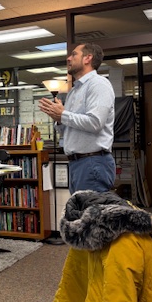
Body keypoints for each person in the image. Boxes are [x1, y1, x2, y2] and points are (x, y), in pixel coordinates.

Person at [38, 43, 116, 193]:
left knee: (91, 215)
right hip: (77, 164)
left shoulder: (98, 85)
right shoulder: (74, 91)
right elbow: (70, 127)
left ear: (88, 58)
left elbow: (95, 123)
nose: (68, 58)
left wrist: (63, 114)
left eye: (74, 54)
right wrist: (59, 119)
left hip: (92, 162)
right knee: (80, 215)